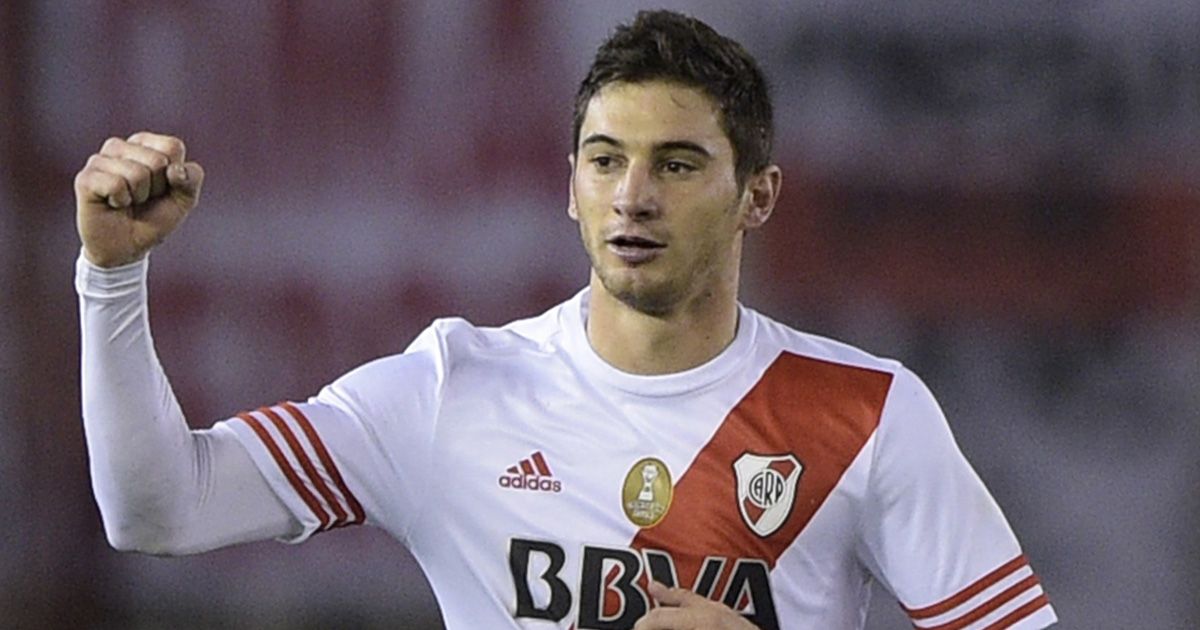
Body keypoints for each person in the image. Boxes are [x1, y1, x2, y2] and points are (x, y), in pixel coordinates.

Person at [74, 9, 1057, 630]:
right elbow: (160, 507)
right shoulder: (450, 391)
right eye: (603, 159)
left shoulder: (868, 413)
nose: (633, 195)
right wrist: (110, 279)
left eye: (675, 163)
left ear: (758, 195)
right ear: (571, 187)